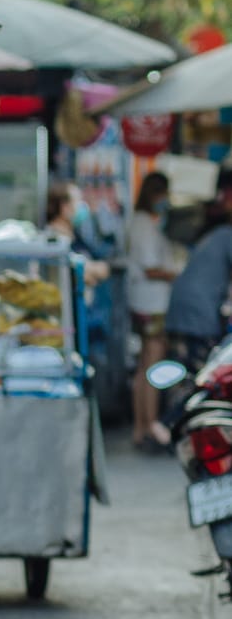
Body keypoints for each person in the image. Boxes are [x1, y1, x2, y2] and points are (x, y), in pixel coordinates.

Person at [126, 171, 180, 453]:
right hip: (152, 303)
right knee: (152, 367)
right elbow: (151, 268)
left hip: (143, 302)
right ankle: (150, 425)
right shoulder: (145, 225)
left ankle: (142, 426)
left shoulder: (140, 222)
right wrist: (176, 274)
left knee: (144, 368)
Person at [166, 183, 232, 378]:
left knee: (181, 375)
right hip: (197, 316)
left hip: (182, 310)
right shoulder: (227, 236)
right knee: (200, 375)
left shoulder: (215, 235)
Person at [44, 182, 111, 291]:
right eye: (78, 201)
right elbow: (73, 276)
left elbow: (102, 270)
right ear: (64, 207)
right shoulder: (52, 239)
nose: (83, 206)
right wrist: (89, 272)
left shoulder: (74, 234)